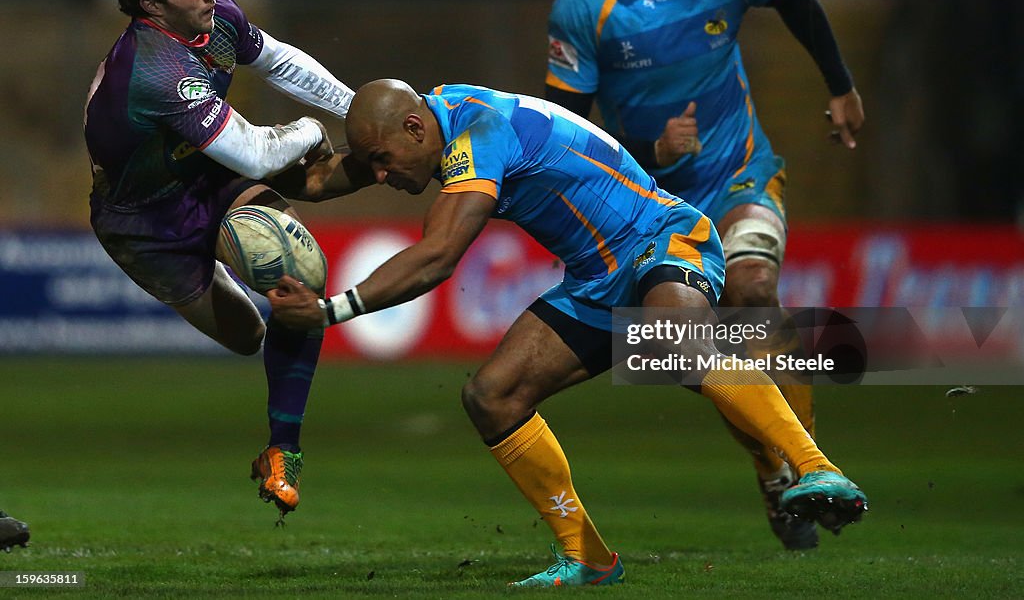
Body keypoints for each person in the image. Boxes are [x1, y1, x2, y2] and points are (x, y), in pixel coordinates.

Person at [266, 79, 868, 587]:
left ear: (415, 133)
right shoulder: (427, 122)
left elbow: (440, 255)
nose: (379, 175)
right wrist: (232, 169)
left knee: (676, 338)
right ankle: (588, 557)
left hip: (660, 235)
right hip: (596, 278)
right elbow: (325, 179)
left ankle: (812, 467)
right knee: (491, 397)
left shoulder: (480, 136)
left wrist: (327, 311)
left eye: (384, 162)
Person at [543, 0, 866, 550]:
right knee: (699, 351)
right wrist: (650, 148)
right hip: (654, 209)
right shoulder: (580, 8)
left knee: (754, 291)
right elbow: (567, 133)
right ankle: (771, 467)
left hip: (739, 176)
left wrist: (840, 85)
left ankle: (807, 462)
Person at [84, 0, 366, 520]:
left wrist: (357, 112)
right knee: (248, 336)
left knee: (298, 275)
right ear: (151, 6)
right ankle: (386, 161)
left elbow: (280, 62)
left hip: (209, 178)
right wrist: (313, 129)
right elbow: (260, 152)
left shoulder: (209, 16)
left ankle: (282, 452)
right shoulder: (156, 70)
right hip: (143, 223)